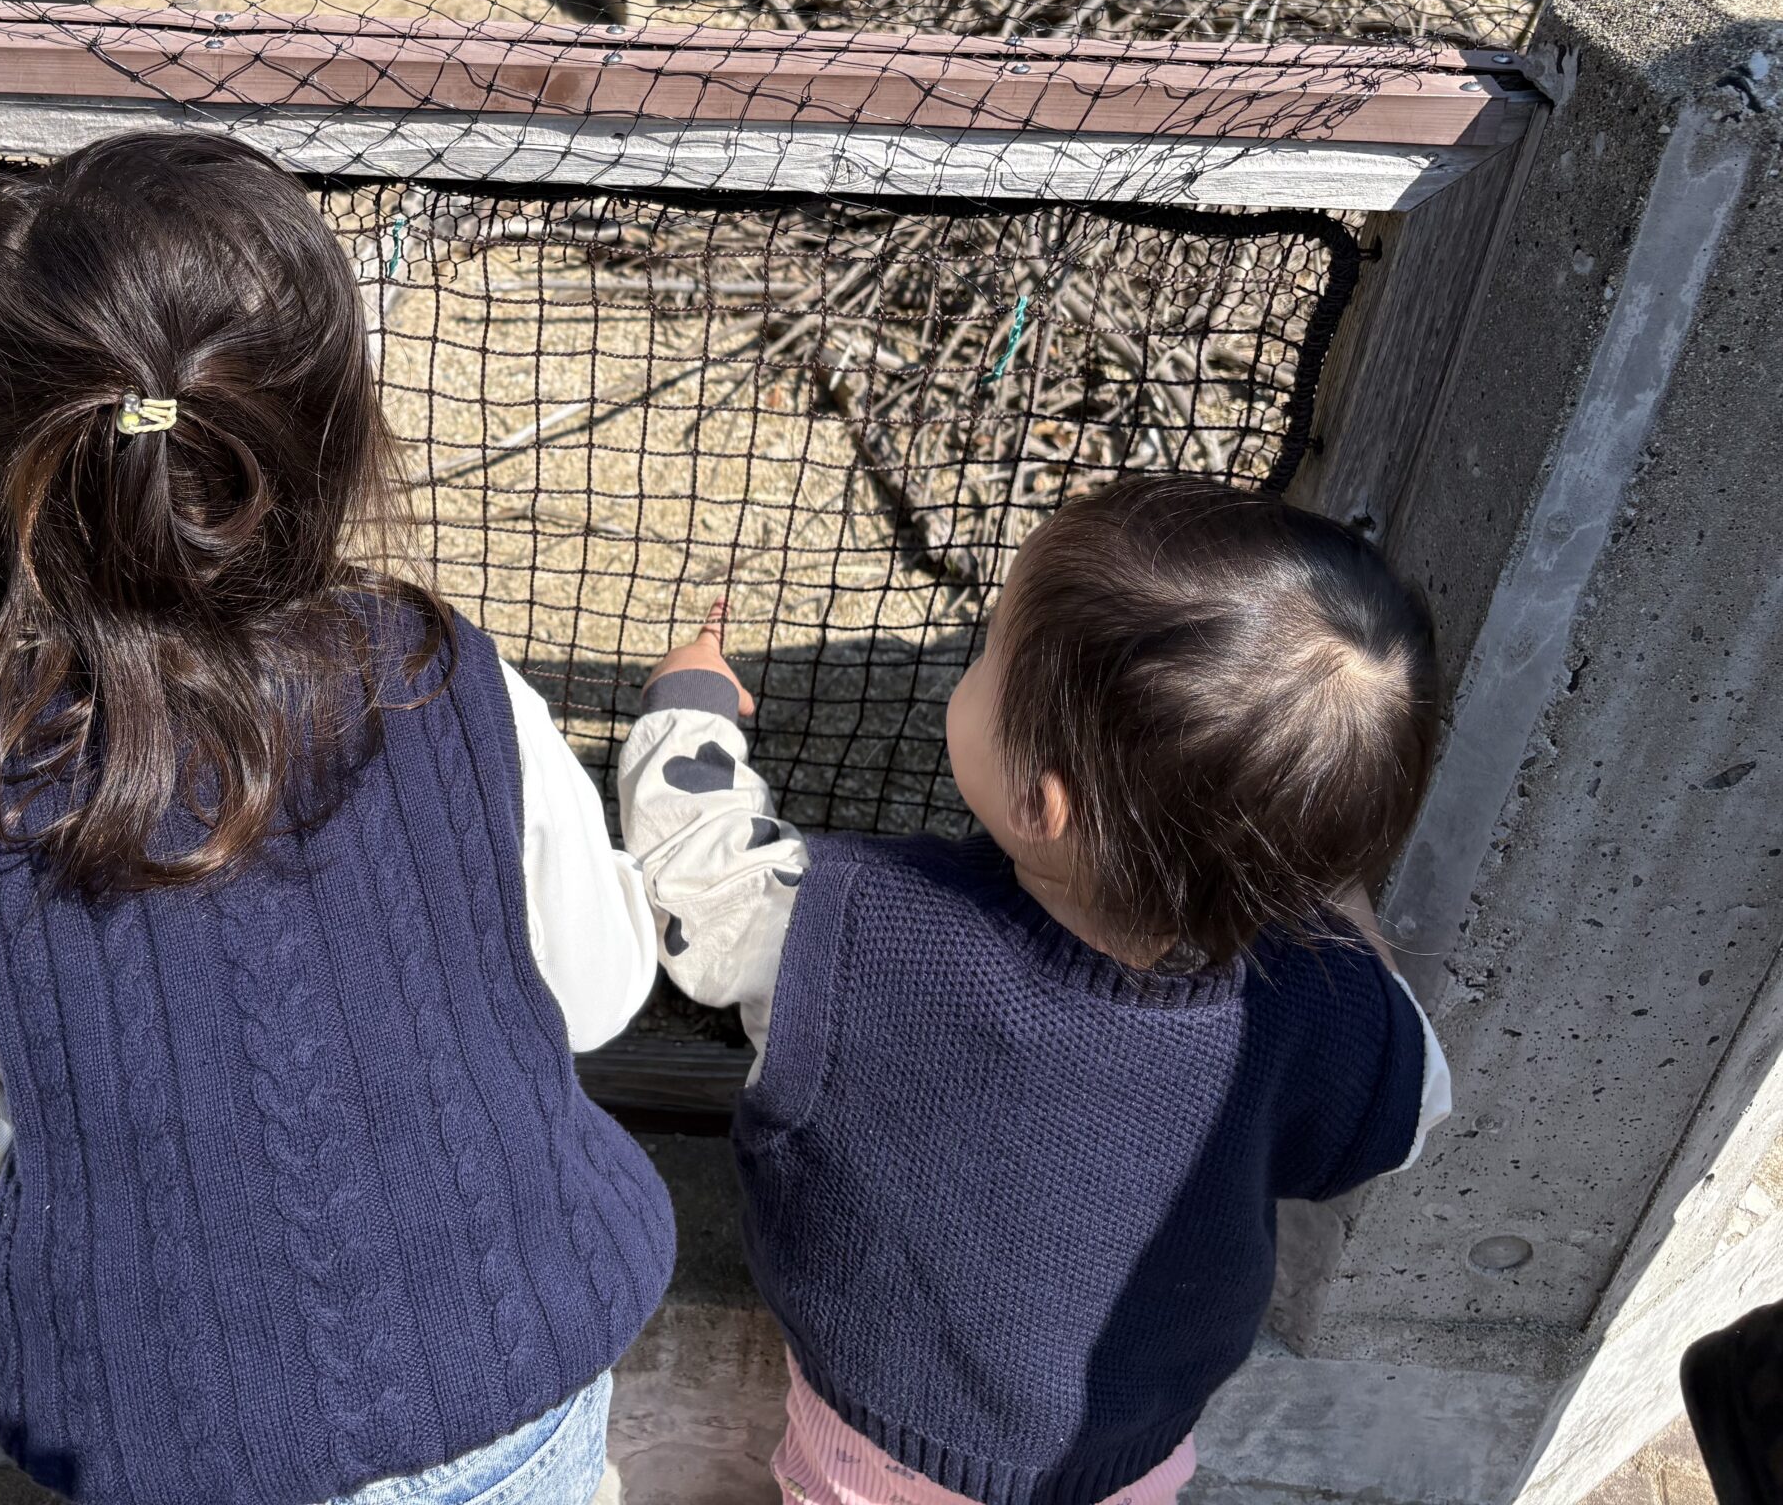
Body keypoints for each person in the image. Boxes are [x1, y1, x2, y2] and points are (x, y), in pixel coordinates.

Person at [0, 132, 674, 1505]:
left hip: (176, 1443)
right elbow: (600, 988)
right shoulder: (453, 680)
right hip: (524, 1375)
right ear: (328, 422)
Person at [621, 475, 1454, 1505]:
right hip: (1129, 1456)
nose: (968, 669)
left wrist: (685, 707)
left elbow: (701, 884)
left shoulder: (859, 928)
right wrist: (1325, 896)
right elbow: (1413, 1114)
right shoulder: (1321, 1003)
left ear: (1037, 800)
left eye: (987, 654)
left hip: (884, 1445)